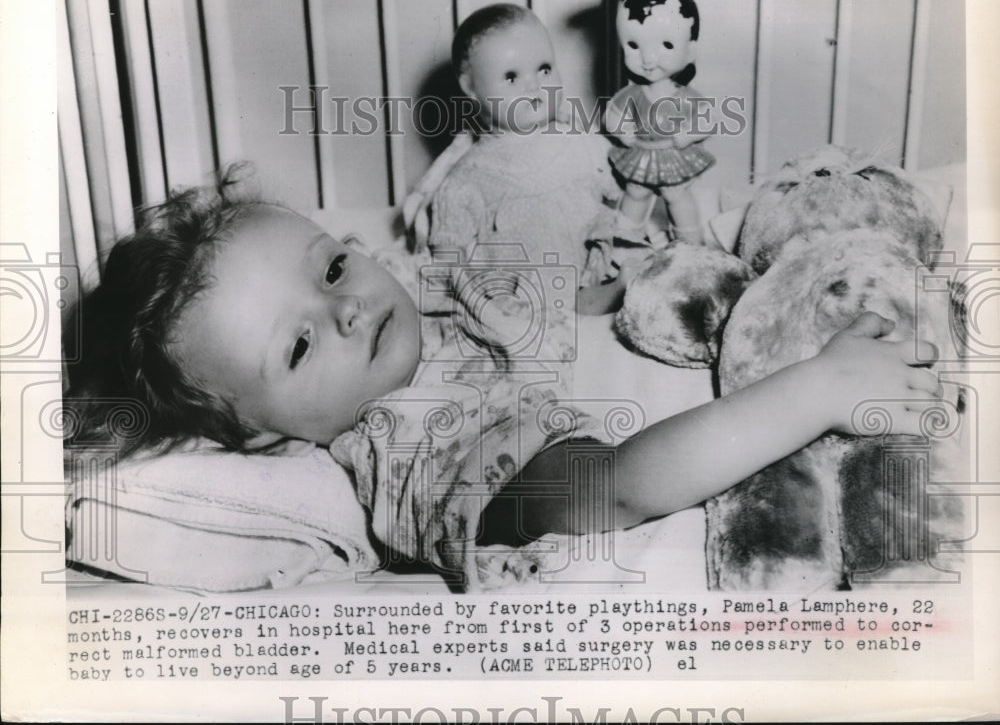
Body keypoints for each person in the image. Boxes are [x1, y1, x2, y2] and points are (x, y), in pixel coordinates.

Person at [67, 183, 947, 589]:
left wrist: (605, 290)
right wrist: (818, 387)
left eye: (331, 267)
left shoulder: (399, 311)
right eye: (298, 345)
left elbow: (523, 302)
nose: (346, 307)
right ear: (266, 436)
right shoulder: (413, 447)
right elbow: (617, 487)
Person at [422, 3, 635, 315]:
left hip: (590, 266)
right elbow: (448, 251)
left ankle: (607, 289)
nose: (534, 85)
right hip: (521, 290)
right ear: (472, 88)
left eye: (544, 69)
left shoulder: (580, 141)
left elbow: (625, 186)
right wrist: (459, 288)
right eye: (511, 77)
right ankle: (589, 301)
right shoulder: (470, 175)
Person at [591, 0, 723, 245]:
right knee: (636, 191)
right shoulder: (632, 94)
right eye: (633, 45)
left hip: (672, 152)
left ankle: (689, 244)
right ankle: (625, 241)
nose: (648, 59)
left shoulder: (685, 97)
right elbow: (611, 115)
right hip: (641, 152)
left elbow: (708, 119)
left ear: (691, 50)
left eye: (667, 45)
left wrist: (688, 134)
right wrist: (621, 129)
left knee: (675, 194)